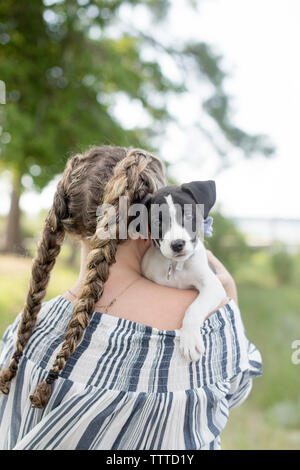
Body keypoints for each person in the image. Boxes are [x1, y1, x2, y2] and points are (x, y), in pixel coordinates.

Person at [0, 146, 262, 450]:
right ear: (143, 224)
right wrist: (229, 296)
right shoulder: (208, 319)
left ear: (70, 224)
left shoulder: (24, 330)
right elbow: (237, 390)